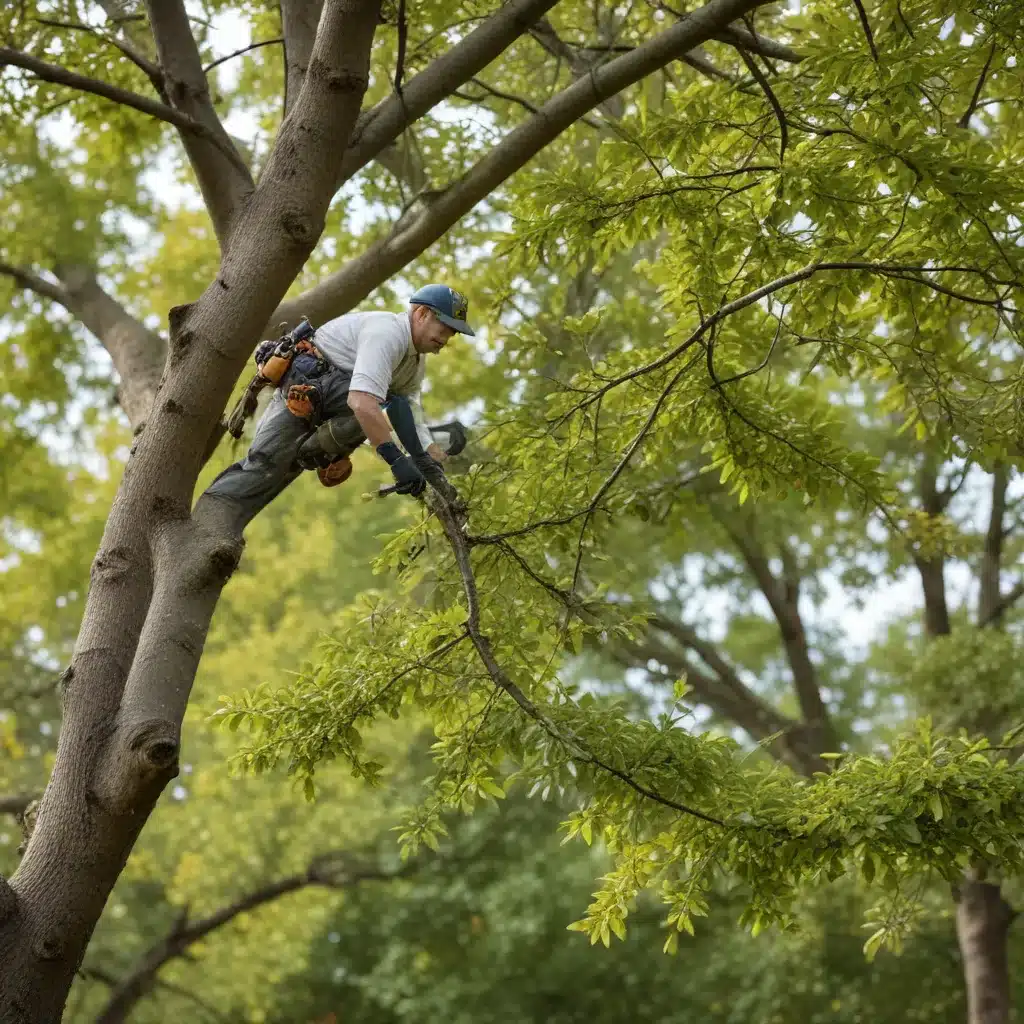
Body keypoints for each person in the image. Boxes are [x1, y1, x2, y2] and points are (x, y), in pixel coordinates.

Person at [196, 284, 473, 535]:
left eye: (453, 332)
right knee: (264, 467)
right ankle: (205, 525)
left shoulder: (414, 362)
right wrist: (397, 462)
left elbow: (408, 409)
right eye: (444, 326)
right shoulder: (387, 333)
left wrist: (426, 457)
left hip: (333, 404)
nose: (447, 336)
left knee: (286, 468)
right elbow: (362, 402)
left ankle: (308, 452)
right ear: (422, 313)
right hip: (307, 389)